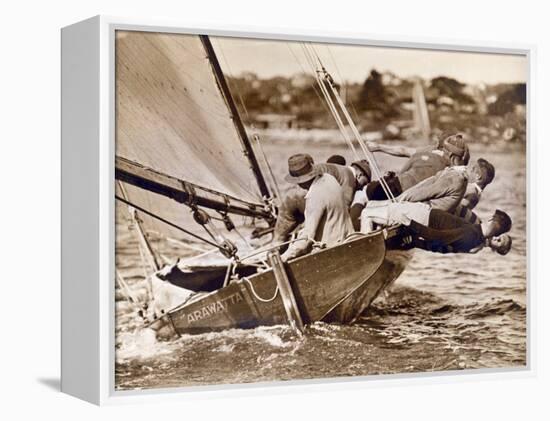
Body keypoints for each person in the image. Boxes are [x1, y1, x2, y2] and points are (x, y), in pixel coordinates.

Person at [273, 156, 371, 243]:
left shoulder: (337, 168)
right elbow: (343, 209)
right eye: (365, 183)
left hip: (291, 196)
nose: (362, 187)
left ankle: (274, 250)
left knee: (280, 237)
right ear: (360, 174)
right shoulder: (350, 179)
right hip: (306, 196)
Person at [360, 200, 512, 254]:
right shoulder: (475, 232)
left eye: (499, 242)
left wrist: (410, 224)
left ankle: (362, 252)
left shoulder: (472, 235)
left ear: (492, 219)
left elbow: (438, 238)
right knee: (373, 207)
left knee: (367, 213)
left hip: (421, 217)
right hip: (424, 214)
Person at [279, 154, 354, 261]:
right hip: (348, 238)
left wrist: (283, 257)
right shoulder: (329, 178)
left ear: (300, 182)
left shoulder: (314, 196)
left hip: (332, 249)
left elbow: (307, 239)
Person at [365, 133, 470, 200]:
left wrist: (378, 147)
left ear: (439, 144)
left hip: (398, 188)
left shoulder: (429, 151)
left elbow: (403, 150)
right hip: (407, 193)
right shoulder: (451, 167)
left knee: (367, 191)